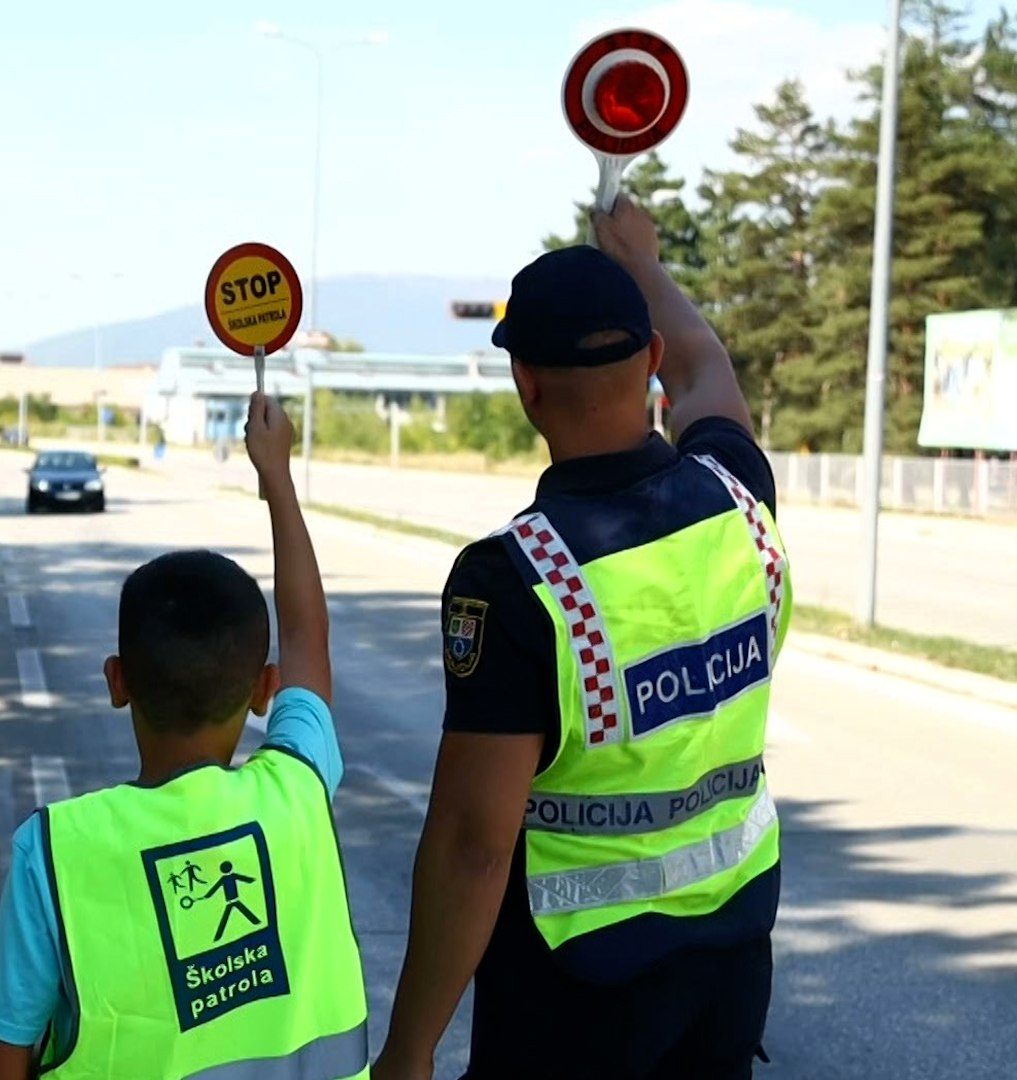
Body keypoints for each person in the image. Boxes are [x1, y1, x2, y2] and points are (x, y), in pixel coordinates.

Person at [374, 196, 793, 1080]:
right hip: (729, 968)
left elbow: (473, 845)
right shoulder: (737, 496)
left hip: (575, 1001)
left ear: (524, 383)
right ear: (647, 361)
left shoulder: (516, 578)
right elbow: (706, 366)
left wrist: (407, 1052)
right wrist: (643, 260)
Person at [0, 391, 370, 1080]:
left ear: (117, 682)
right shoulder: (298, 788)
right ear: (264, 691)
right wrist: (277, 477)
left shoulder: (58, 852)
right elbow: (308, 634)